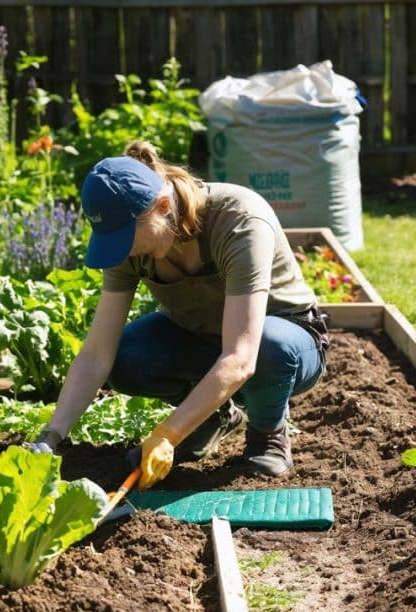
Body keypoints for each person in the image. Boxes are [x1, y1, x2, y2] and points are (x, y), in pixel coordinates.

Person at [28, 141, 329, 490]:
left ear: (163, 205)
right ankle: (211, 419)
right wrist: (51, 435)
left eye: (125, 236)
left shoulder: (238, 220)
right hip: (200, 337)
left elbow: (241, 357)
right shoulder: (130, 245)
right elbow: (97, 353)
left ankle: (267, 431)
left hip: (282, 341)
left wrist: (166, 434)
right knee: (126, 358)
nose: (120, 248)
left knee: (268, 347)